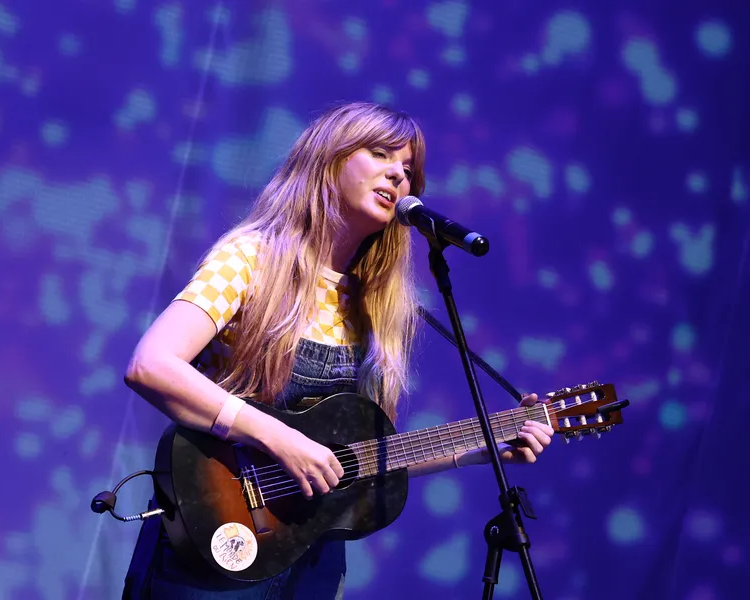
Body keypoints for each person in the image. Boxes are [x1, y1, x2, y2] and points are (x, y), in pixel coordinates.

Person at [121, 101, 554, 599]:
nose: (397, 175)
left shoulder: (378, 307)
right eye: (380, 155)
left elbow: (361, 459)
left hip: (313, 554)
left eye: (408, 171)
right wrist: (281, 439)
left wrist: (483, 453)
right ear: (328, 160)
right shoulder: (251, 258)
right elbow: (151, 365)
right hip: (213, 539)